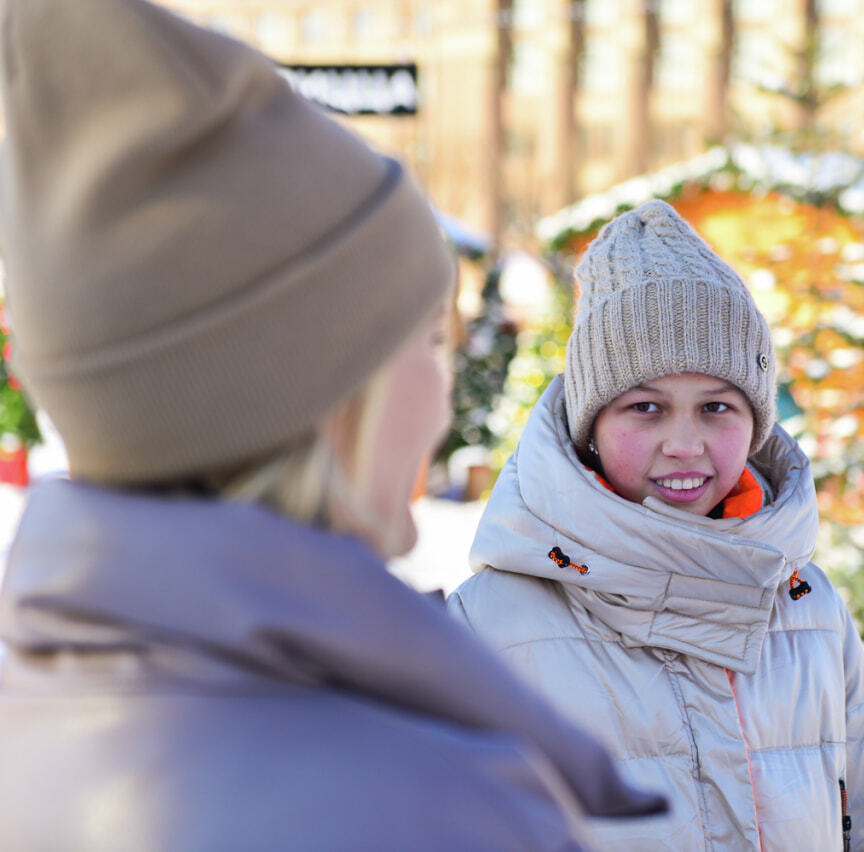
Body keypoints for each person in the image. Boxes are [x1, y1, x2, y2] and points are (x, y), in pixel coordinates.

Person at [0, 1, 663, 849]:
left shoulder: (43, 720)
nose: (442, 390)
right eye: (427, 339)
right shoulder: (432, 804)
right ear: (327, 398)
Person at [449, 200, 864, 850]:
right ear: (592, 427)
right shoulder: (493, 628)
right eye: (646, 407)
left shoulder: (812, 612)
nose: (685, 443)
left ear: (756, 421)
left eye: (716, 406)